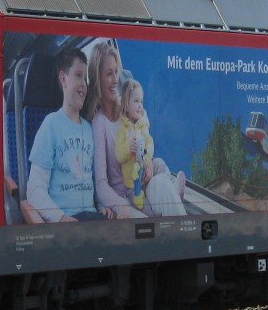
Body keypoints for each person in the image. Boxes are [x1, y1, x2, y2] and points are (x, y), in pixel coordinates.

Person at [25, 49, 112, 222]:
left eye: (85, 78)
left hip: (92, 218)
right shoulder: (51, 125)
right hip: (65, 221)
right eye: (78, 75)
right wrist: (61, 218)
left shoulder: (89, 128)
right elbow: (34, 189)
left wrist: (103, 206)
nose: (84, 85)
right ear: (63, 79)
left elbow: (94, 181)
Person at [83, 40, 142, 219]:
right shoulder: (98, 123)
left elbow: (143, 148)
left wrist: (147, 164)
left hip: (140, 187)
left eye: (116, 72)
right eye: (109, 74)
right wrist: (117, 204)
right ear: (97, 80)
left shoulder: (128, 111)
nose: (115, 79)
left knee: (162, 184)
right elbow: (101, 183)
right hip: (121, 198)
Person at [114, 79, 186, 217]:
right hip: (134, 185)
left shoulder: (143, 126)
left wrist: (147, 161)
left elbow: (149, 143)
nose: (140, 105)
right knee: (145, 208)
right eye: (136, 101)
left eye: (142, 101)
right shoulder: (123, 129)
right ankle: (155, 212)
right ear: (126, 106)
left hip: (147, 173)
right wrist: (129, 148)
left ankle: (174, 188)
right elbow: (118, 154)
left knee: (159, 162)